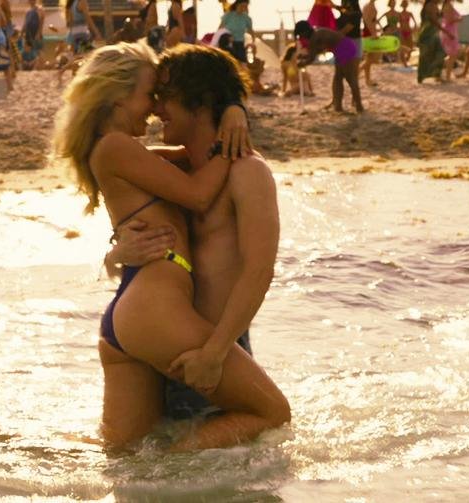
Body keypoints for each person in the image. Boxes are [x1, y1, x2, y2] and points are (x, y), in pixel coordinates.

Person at [50, 41, 288, 451]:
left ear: (200, 102)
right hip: (169, 326)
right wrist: (115, 253)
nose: (156, 108)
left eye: (165, 97)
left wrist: (235, 108)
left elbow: (257, 270)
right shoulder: (169, 166)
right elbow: (195, 198)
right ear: (120, 98)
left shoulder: (213, 169)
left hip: (173, 331)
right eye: (151, 94)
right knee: (272, 414)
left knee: (126, 455)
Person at [417, 0, 451, 83]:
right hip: (428, 34)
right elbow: (434, 21)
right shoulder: (430, 5)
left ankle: (433, 75)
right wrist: (446, 32)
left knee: (432, 54)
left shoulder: (433, 5)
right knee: (432, 54)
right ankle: (428, 75)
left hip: (432, 34)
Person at [439, 0, 462, 81]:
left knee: (453, 54)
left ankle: (446, 73)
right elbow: (449, 20)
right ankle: (447, 76)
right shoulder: (448, 6)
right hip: (450, 31)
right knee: (453, 54)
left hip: (450, 30)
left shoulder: (448, 5)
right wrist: (458, 19)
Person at [360, 0, 381, 86]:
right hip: (369, 33)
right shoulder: (369, 6)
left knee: (369, 58)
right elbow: (366, 20)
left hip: (370, 32)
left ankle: (368, 80)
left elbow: (372, 20)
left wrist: (379, 27)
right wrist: (373, 33)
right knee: (373, 58)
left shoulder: (370, 5)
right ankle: (357, 72)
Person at [398, 0, 416, 66]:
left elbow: (415, 23)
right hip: (402, 31)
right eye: (403, 4)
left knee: (410, 46)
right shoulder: (399, 14)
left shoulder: (410, 13)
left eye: (405, 4)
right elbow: (398, 23)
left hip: (408, 31)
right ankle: (404, 62)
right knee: (403, 46)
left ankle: (407, 59)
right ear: (402, 5)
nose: (404, 6)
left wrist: (413, 29)